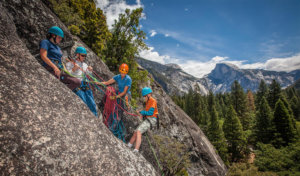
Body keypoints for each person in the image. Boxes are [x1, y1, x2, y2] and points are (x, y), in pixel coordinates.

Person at [40, 26, 80, 91]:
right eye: (59, 37)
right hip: (50, 67)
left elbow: (60, 60)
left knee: (77, 82)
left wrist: (64, 70)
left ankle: (63, 92)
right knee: (56, 81)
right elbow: (43, 56)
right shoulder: (45, 42)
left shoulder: (58, 48)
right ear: (53, 35)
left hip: (59, 68)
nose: (60, 40)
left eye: (61, 38)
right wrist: (54, 67)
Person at [65, 46, 98, 116]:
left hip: (84, 84)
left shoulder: (85, 65)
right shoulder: (70, 63)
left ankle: (95, 117)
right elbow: (67, 75)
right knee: (83, 101)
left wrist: (89, 70)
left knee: (91, 102)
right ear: (77, 55)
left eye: (85, 56)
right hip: (76, 84)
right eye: (83, 55)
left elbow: (88, 75)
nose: (84, 57)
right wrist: (74, 69)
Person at [128, 87, 158, 153]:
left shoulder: (153, 101)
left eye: (145, 96)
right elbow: (146, 112)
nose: (144, 97)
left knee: (139, 131)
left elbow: (150, 113)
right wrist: (141, 113)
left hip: (152, 119)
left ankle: (136, 150)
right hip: (148, 119)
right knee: (135, 132)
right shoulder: (148, 101)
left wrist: (142, 112)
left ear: (148, 94)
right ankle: (128, 145)